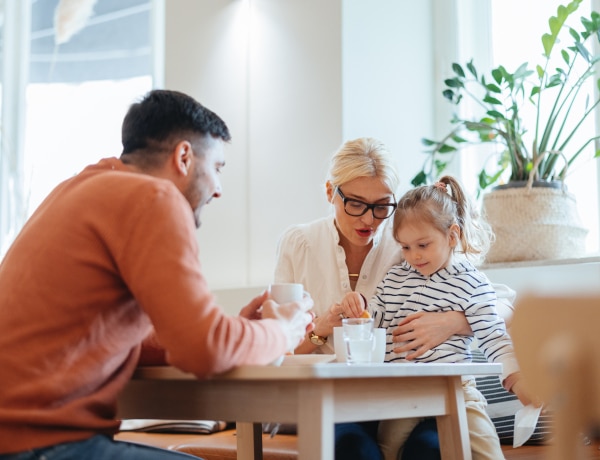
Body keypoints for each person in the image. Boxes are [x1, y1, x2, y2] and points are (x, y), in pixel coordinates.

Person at [0, 89, 313, 459]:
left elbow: (163, 339)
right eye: (217, 168)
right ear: (183, 157)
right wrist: (282, 330)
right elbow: (204, 350)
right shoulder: (154, 198)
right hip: (42, 446)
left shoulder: (77, 190)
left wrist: (231, 330)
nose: (219, 190)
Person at [274, 138, 495, 460]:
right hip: (335, 401)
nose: (369, 219)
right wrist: (322, 327)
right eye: (355, 204)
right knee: (353, 450)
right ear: (329, 192)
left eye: (381, 206)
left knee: (428, 450)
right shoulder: (299, 243)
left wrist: (452, 322)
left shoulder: (407, 242)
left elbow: (496, 301)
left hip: (408, 396)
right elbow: (278, 347)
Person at [339, 175, 535, 460]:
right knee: (389, 453)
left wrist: (518, 382)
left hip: (456, 391)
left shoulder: (470, 282)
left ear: (452, 235)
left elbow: (494, 338)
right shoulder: (395, 278)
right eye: (405, 247)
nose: (414, 256)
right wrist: (357, 305)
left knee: (487, 452)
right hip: (402, 394)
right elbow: (374, 320)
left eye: (422, 245)